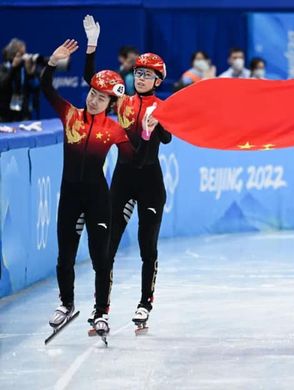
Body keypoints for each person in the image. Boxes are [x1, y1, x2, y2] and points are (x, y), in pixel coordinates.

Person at [83, 15, 172, 330]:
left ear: (158, 80)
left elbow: (161, 142)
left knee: (147, 245)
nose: (141, 78)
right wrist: (92, 46)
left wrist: (154, 126)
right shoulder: (121, 103)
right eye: (138, 73)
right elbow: (93, 82)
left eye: (147, 75)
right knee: (107, 246)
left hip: (149, 182)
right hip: (121, 180)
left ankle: (145, 304)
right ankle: (100, 309)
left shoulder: (162, 108)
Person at [42, 39, 132, 337]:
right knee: (65, 255)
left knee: (100, 258)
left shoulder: (115, 129)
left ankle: (101, 312)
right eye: (92, 93)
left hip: (97, 198)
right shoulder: (69, 114)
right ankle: (66, 303)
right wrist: (52, 63)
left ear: (110, 103)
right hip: (70, 195)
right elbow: (46, 89)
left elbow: (137, 159)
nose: (94, 100)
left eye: (101, 98)